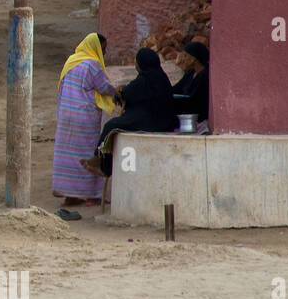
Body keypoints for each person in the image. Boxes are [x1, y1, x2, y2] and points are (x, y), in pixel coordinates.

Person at [81, 48, 176, 178]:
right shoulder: (160, 76)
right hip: (164, 119)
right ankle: (102, 163)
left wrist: (121, 91)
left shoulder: (145, 79)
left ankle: (101, 162)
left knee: (111, 126)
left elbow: (125, 95)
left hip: (152, 120)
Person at [53, 33, 117, 220]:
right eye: (103, 49)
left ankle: (70, 196)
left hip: (66, 115)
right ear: (95, 48)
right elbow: (105, 87)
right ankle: (91, 195)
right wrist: (120, 93)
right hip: (84, 117)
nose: (103, 53)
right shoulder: (92, 65)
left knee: (68, 154)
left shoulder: (71, 61)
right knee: (88, 153)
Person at [171, 40, 209, 121]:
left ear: (194, 58)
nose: (183, 59)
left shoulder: (204, 75)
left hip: (195, 114)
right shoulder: (190, 73)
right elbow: (177, 88)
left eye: (186, 56)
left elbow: (196, 100)